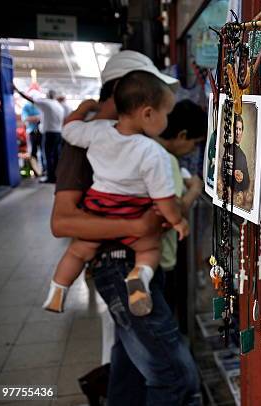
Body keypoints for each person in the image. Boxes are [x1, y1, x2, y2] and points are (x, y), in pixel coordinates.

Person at [51, 50, 201, 405]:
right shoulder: (87, 141)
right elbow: (61, 222)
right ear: (126, 90)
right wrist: (138, 223)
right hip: (118, 263)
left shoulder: (131, 137)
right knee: (175, 376)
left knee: (130, 368)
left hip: (138, 266)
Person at [43, 71, 189, 318]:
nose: (167, 120)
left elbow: (69, 130)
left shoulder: (97, 131)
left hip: (98, 206)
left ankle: (58, 289)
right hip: (134, 208)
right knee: (149, 249)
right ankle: (139, 276)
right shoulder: (153, 153)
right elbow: (163, 200)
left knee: (78, 250)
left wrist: (82, 109)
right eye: (167, 113)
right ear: (148, 114)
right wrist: (177, 221)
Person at [153, 99, 206, 313]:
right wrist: (195, 188)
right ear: (182, 135)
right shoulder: (167, 160)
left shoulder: (146, 148)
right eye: (194, 143)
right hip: (159, 258)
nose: (194, 150)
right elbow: (174, 210)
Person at [14, 87, 65, 183]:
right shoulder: (58, 105)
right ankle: (56, 176)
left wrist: (17, 90)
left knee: (48, 155)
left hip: (49, 133)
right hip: (58, 133)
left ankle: (50, 177)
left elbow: (29, 99)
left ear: (47, 95)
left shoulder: (47, 103)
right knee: (56, 155)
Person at [221, 114, 250, 192]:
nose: (237, 132)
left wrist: (242, 177)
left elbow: (247, 182)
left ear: (242, 132)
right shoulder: (227, 148)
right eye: (236, 129)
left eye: (240, 129)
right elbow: (222, 171)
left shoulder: (243, 156)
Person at [21, 101, 43, 176]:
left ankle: (44, 171)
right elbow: (25, 119)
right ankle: (36, 172)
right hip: (32, 133)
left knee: (44, 152)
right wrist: (37, 118)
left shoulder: (40, 105)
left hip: (41, 132)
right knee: (33, 152)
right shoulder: (26, 107)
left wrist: (34, 118)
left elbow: (43, 117)